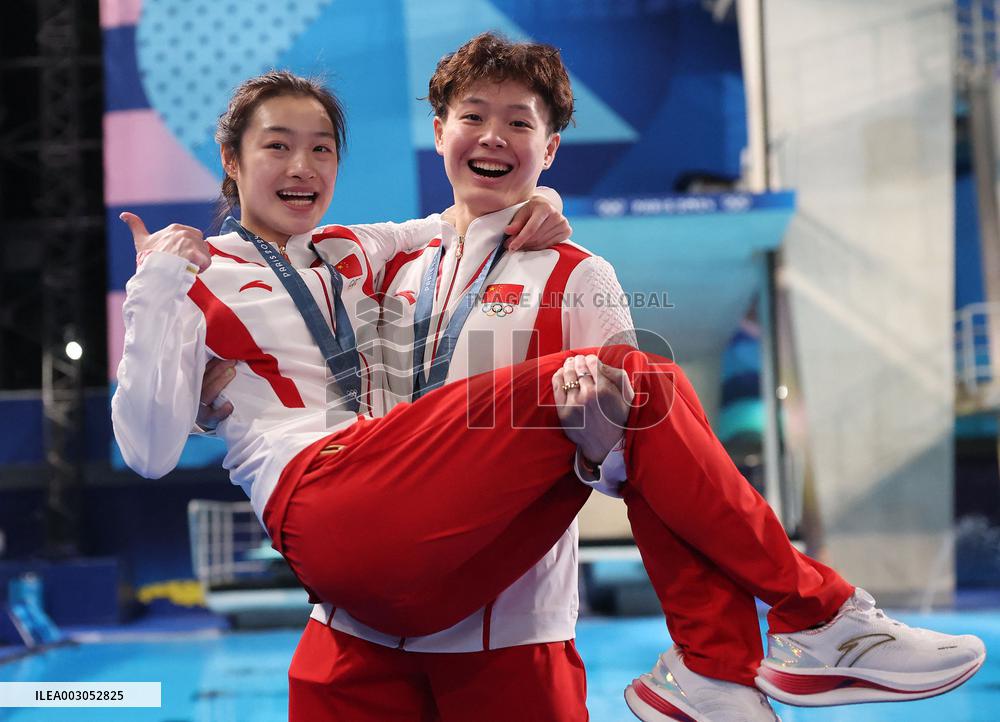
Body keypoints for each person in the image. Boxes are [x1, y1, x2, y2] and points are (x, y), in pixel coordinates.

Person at [112, 68, 984, 722]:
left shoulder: (359, 254)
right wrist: (153, 288)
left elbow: (460, 221)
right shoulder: (196, 277)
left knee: (632, 388)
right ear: (231, 160)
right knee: (645, 376)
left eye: (321, 148)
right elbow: (145, 452)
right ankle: (789, 633)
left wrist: (545, 204)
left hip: (462, 578)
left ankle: (729, 662)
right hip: (336, 538)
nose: (301, 165)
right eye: (276, 145)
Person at [285, 32, 634, 722]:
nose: (493, 137)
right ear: (441, 130)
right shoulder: (386, 268)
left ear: (551, 147)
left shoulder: (581, 277)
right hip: (356, 633)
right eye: (473, 117)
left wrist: (604, 449)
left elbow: (641, 455)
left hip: (510, 638)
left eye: (519, 123)